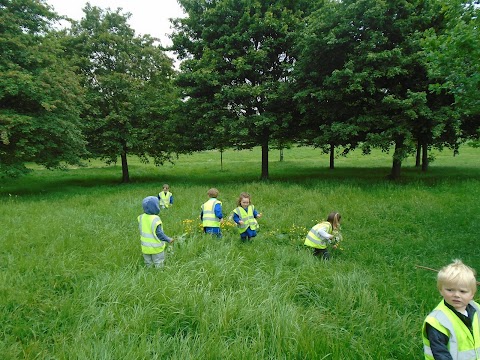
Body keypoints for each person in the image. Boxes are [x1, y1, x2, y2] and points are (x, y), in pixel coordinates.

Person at [422, 259, 480, 360]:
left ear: (472, 294)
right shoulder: (437, 321)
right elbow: (440, 352)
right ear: (440, 290)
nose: (456, 295)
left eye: (462, 291)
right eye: (450, 290)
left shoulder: (477, 309)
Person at [137, 196, 174, 268]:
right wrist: (168, 239)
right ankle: (159, 275)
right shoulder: (155, 219)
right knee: (158, 262)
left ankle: (149, 273)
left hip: (145, 247)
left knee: (148, 263)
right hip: (156, 248)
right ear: (155, 207)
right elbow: (159, 234)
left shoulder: (141, 217)